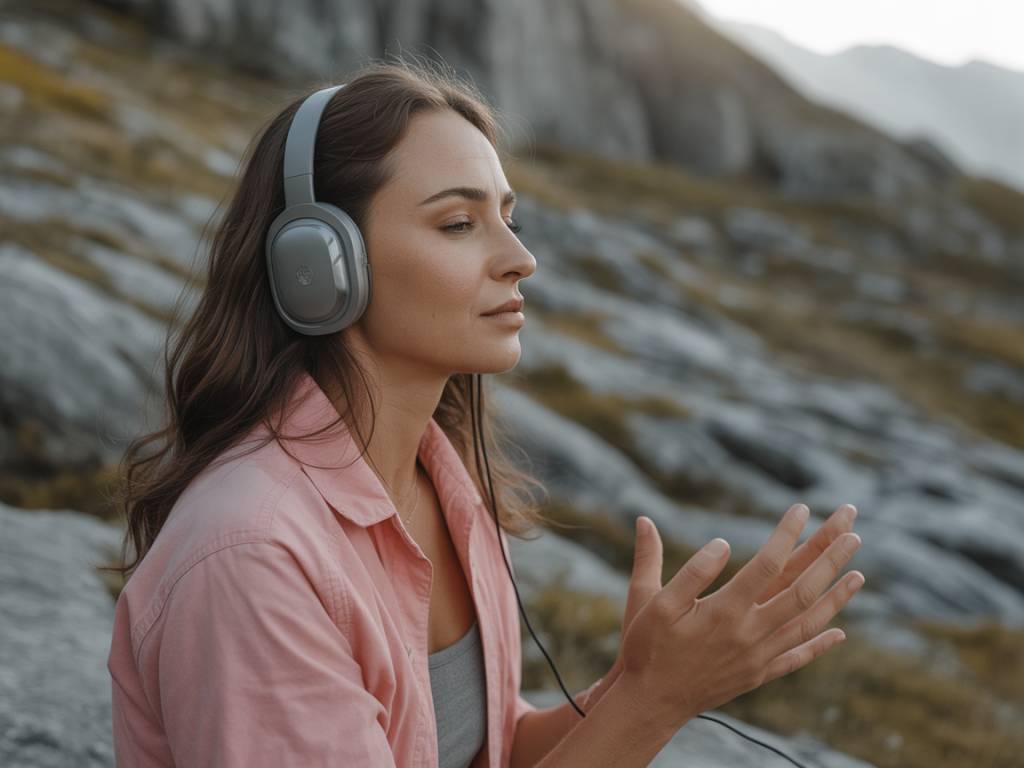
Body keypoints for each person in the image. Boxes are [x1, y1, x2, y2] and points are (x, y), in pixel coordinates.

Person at [103, 55, 865, 768]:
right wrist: (656, 702)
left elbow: (487, 745)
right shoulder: (250, 557)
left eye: (509, 217)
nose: (520, 258)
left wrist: (642, 681)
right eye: (459, 224)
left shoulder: (442, 480)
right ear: (320, 266)